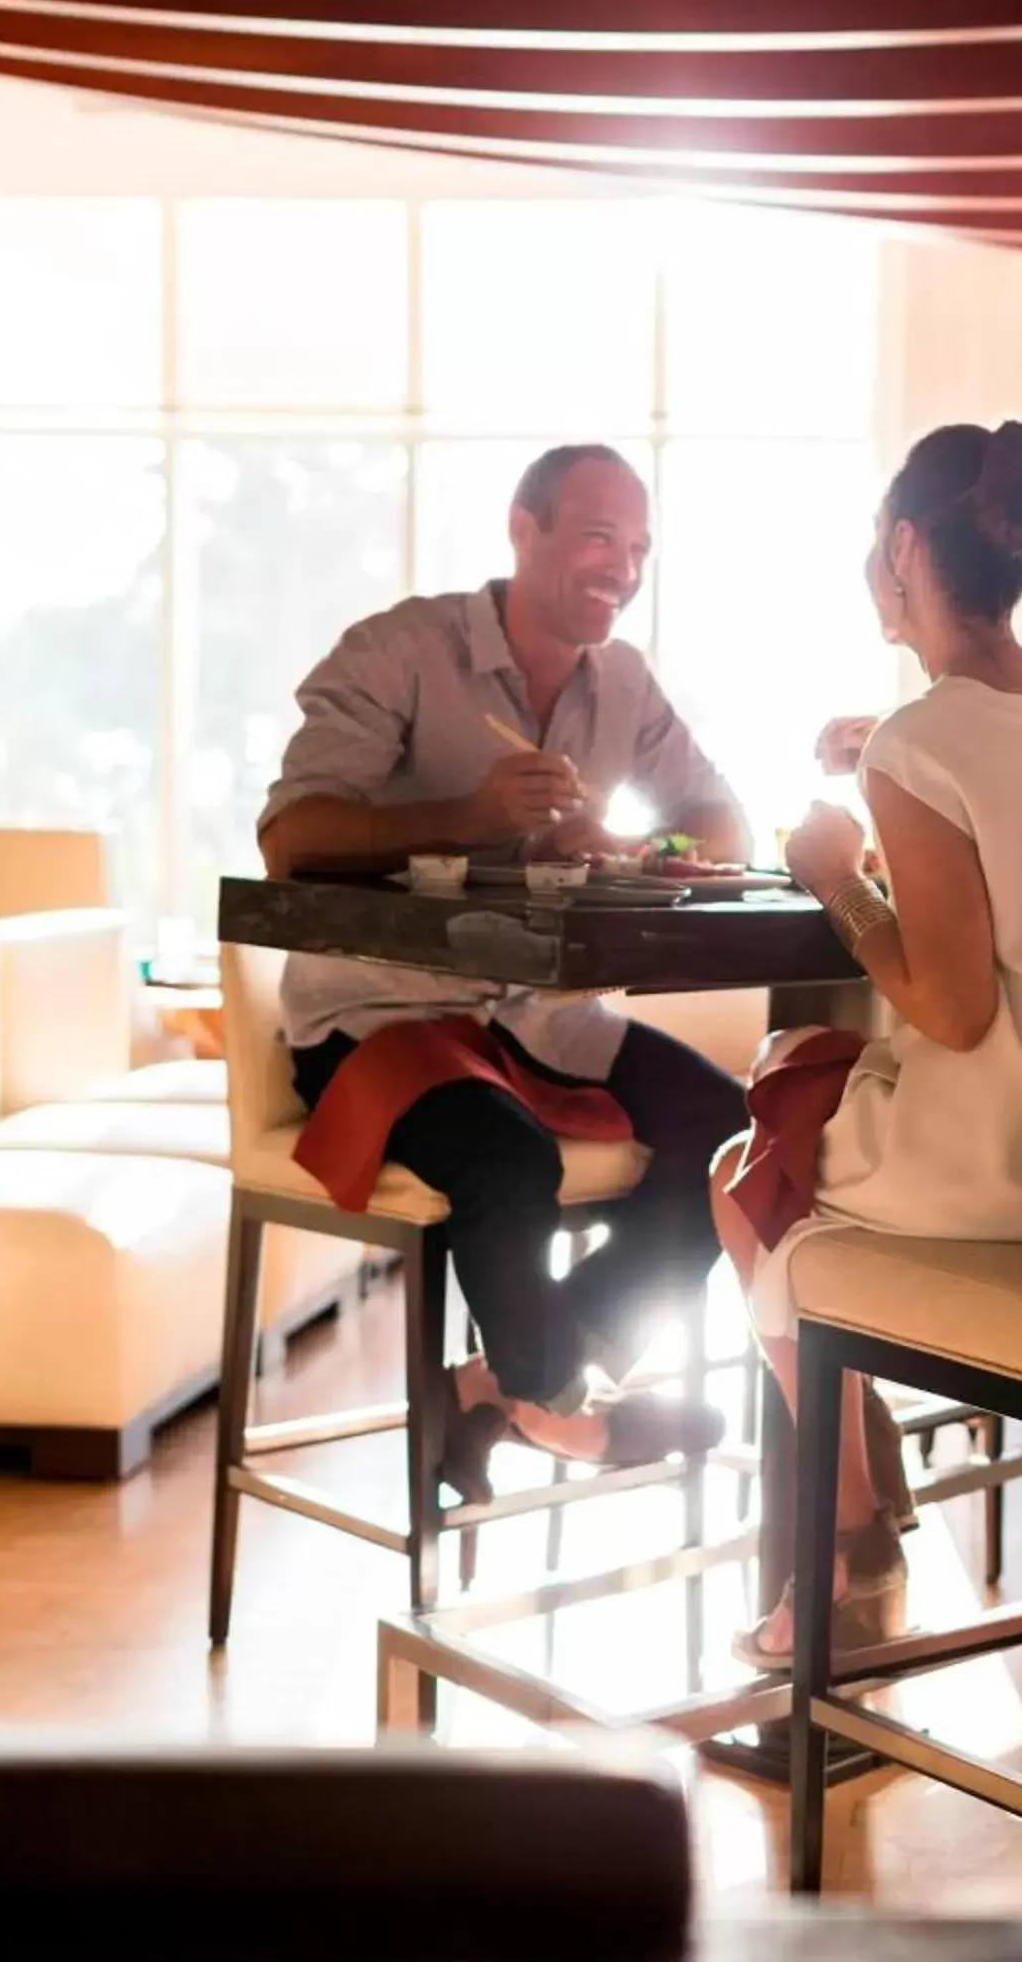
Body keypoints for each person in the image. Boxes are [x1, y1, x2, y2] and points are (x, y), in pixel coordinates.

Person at [708, 420, 1022, 1665]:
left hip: (1012, 1166)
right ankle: (860, 1508)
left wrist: (836, 874)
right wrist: (883, 749)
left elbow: (956, 1007)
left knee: (745, 1179)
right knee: (799, 1098)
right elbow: (1006, 764)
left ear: (906, 546)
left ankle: (850, 1549)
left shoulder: (923, 746)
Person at [258, 444, 749, 1498]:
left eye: (639, 546)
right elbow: (289, 840)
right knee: (509, 1161)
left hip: (533, 1014)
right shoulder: (399, 650)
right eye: (597, 536)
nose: (622, 565)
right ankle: (559, 1404)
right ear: (523, 528)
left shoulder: (621, 680)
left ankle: (500, 1381)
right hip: (375, 1019)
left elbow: (720, 819)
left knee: (729, 1133)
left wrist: (641, 850)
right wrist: (467, 817)